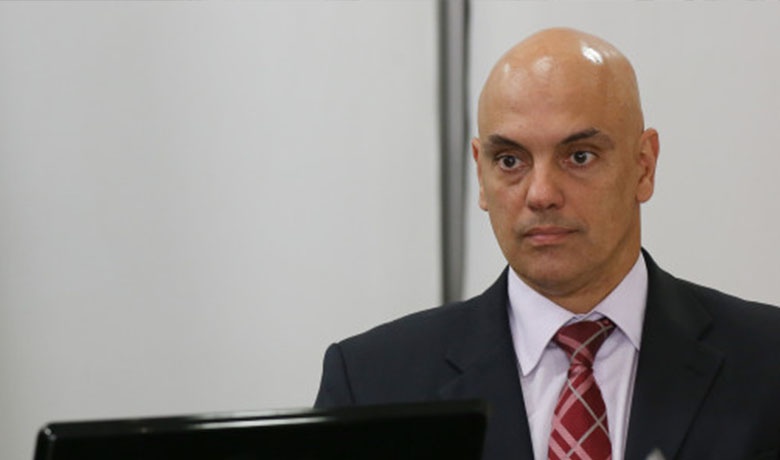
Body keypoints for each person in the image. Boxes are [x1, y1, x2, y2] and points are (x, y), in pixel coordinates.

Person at [314, 28, 780, 460]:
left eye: (579, 156)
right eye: (510, 160)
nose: (540, 194)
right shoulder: (372, 383)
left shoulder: (767, 361)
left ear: (644, 165)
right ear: (481, 174)